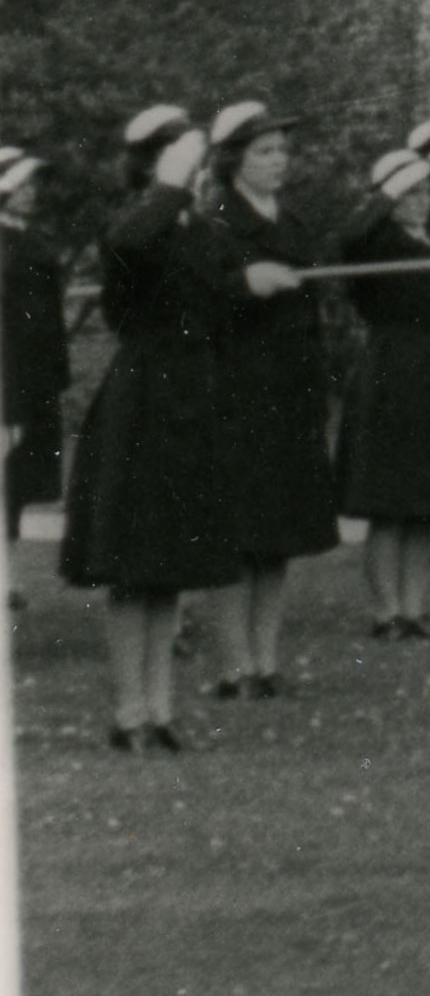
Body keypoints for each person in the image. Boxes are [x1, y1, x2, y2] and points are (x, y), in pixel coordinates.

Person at [63, 108, 232, 749]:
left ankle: (160, 708)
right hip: (143, 399)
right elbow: (130, 246)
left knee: (169, 568)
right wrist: (170, 184)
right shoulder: (138, 222)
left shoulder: (193, 228)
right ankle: (128, 712)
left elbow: (216, 292)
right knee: (134, 569)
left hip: (190, 396)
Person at [192, 102, 334, 695]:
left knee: (278, 538)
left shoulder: (294, 225)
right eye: (265, 152)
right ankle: (233, 666)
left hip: (291, 397)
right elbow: (195, 303)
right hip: (236, 398)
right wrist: (245, 287)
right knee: (236, 537)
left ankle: (266, 661)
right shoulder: (213, 222)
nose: (280, 162)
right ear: (232, 162)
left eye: (283, 151)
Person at [333, 144, 430, 639]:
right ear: (391, 196)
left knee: (426, 501)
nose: (421, 200)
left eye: (425, 190)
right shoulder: (378, 243)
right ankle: (386, 611)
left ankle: (414, 608)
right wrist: (386, 192)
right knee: (389, 503)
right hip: (392, 372)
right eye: (409, 191)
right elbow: (349, 237)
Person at [2, 144, 68, 542]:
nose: (31, 191)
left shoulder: (33, 239)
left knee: (19, 484)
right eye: (22, 183)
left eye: (34, 184)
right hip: (8, 377)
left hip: (36, 378)